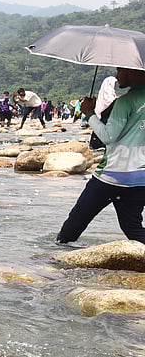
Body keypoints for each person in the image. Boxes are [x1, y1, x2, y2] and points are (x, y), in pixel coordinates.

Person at [56, 66, 145, 244]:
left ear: (134, 72)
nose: (117, 76)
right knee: (133, 229)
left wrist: (89, 113)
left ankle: (53, 268)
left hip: (112, 175)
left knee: (72, 227)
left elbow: (107, 136)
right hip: (140, 177)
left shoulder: (126, 101)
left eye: (120, 71)